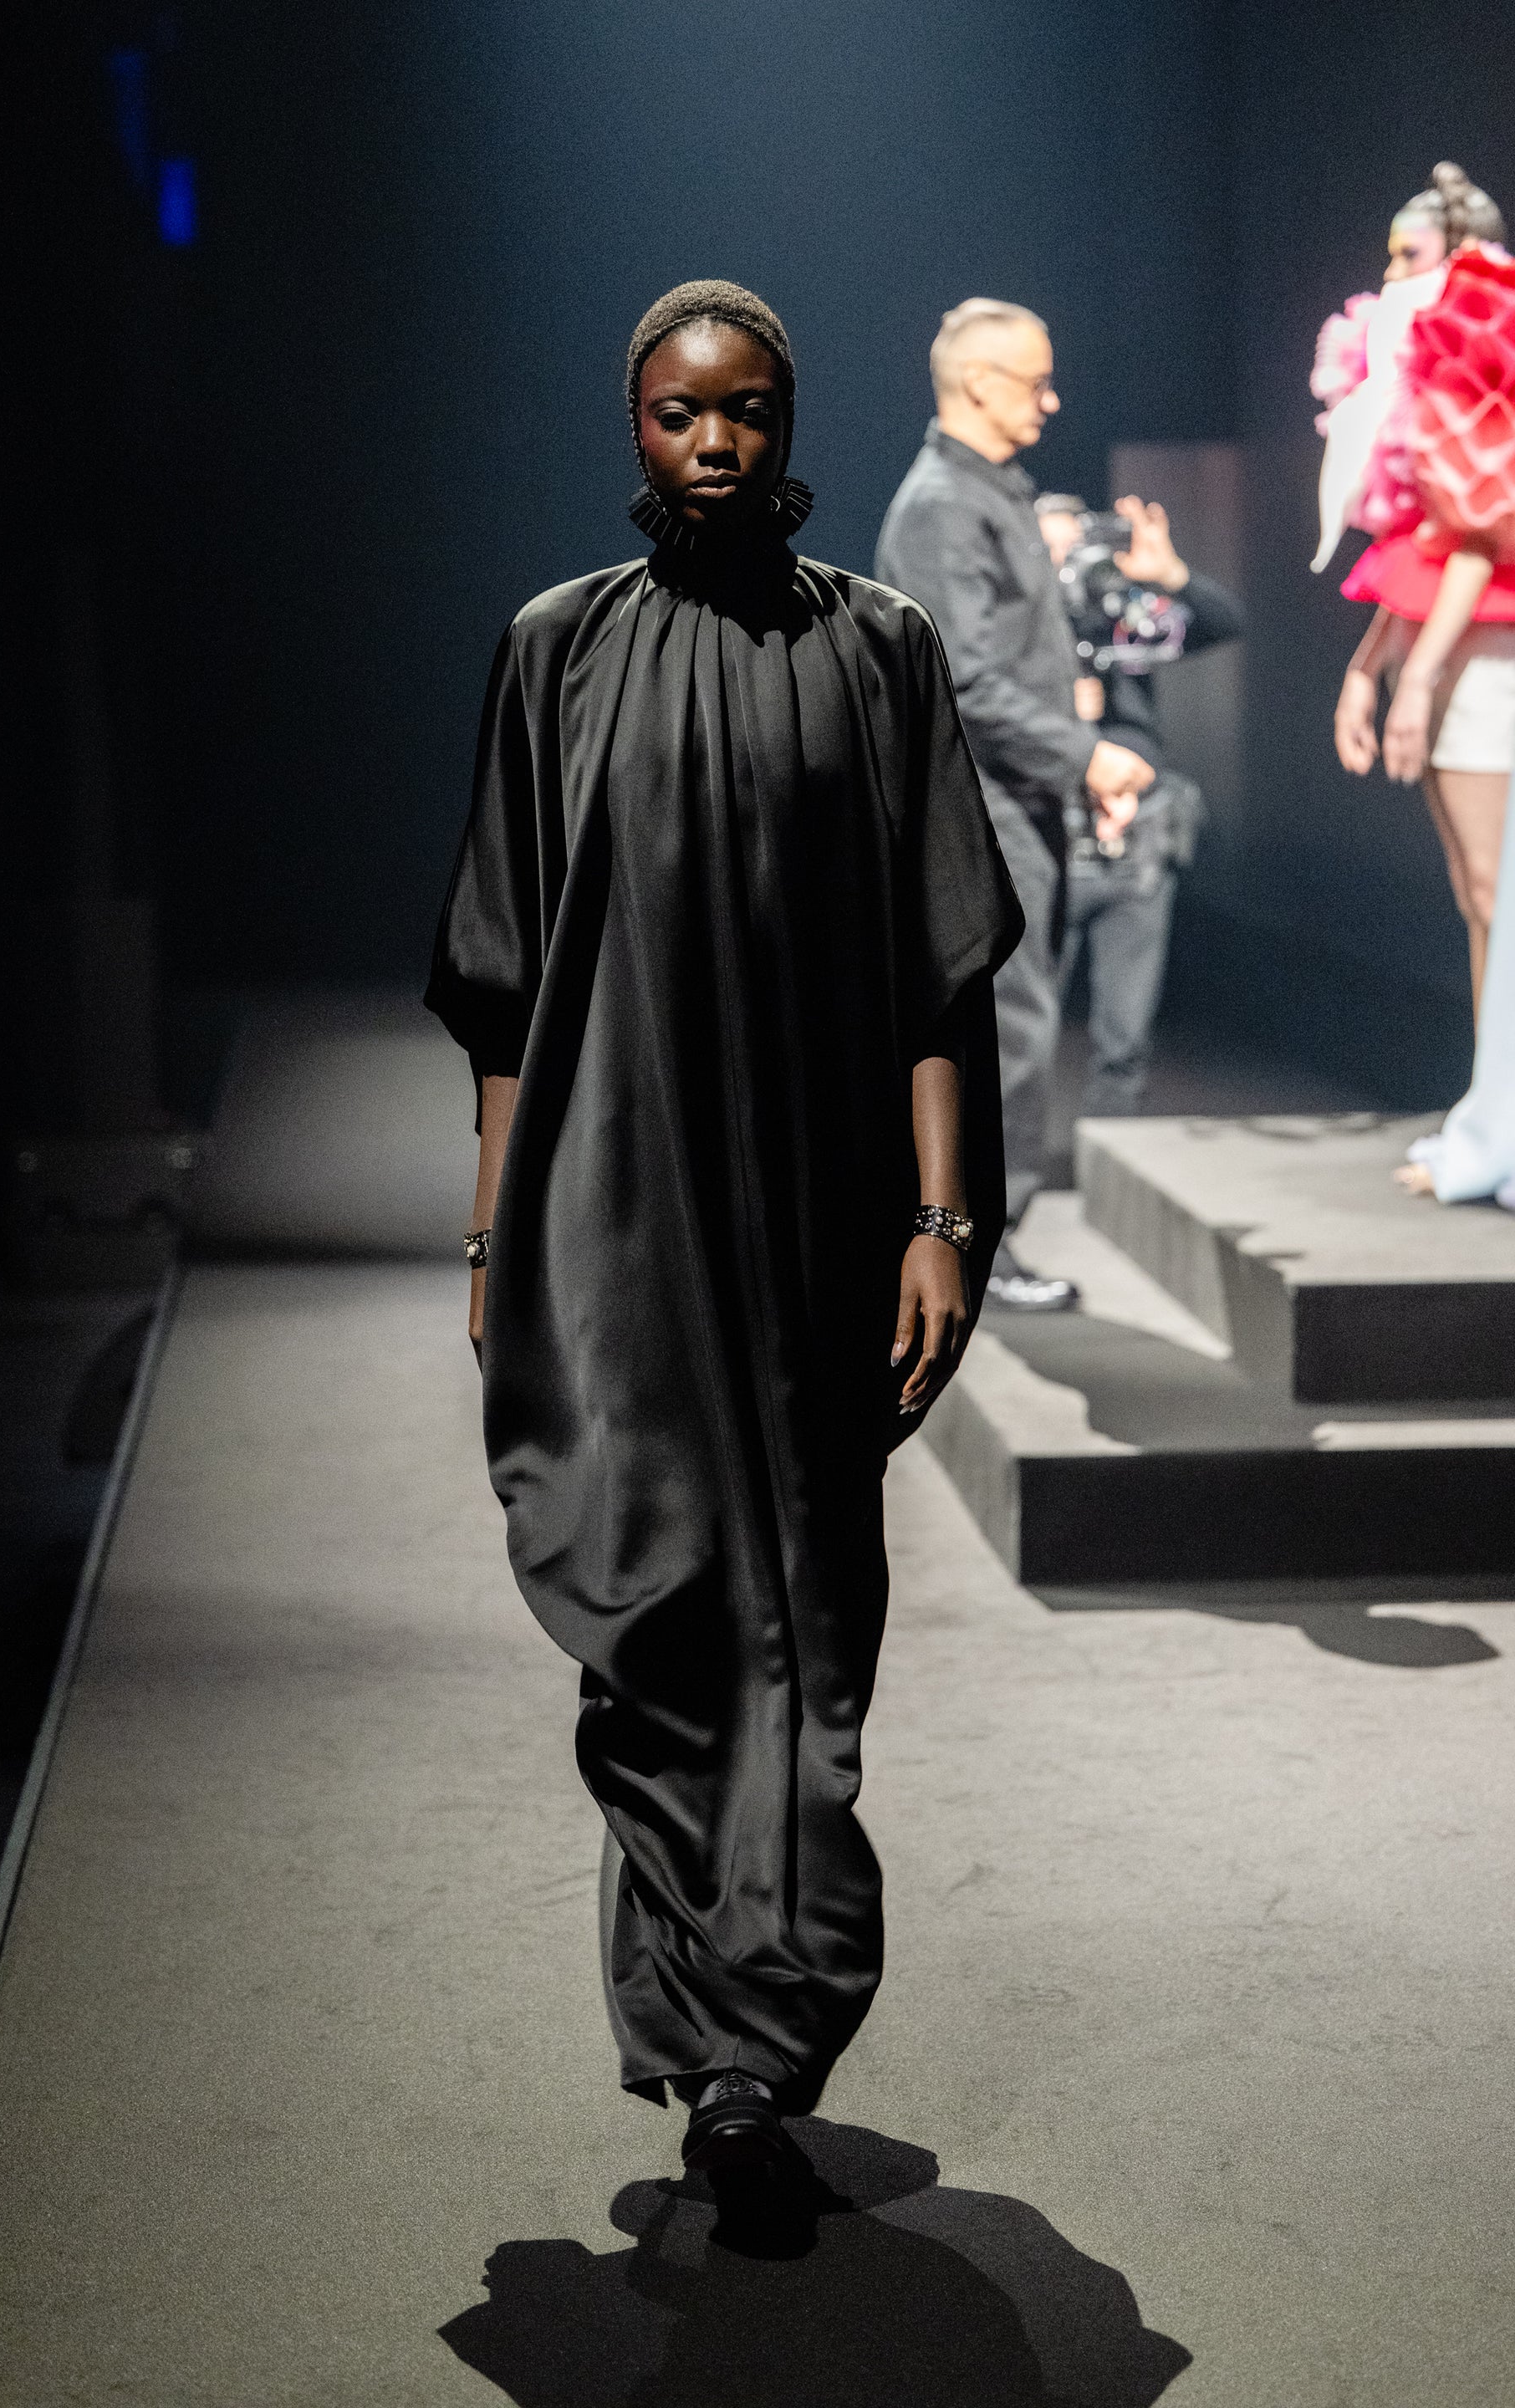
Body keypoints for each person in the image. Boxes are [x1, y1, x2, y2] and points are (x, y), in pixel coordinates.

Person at [426, 282, 1023, 2178]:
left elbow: (941, 969)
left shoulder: (882, 650)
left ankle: (752, 2046)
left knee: (806, 1615)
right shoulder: (557, 651)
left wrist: (940, 1218)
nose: (715, 442)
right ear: (633, 424)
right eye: (681, 412)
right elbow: (504, 979)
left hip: (827, 1210)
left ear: (788, 421)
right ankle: (723, 2055)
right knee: (662, 1603)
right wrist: (493, 1235)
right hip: (613, 1205)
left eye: (747, 410)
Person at [875, 298, 1154, 1311]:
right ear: (979, 383)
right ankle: (977, 1253)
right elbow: (970, 684)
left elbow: (1020, 667)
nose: (1052, 399)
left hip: (1019, 803)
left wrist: (1078, 768)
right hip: (983, 812)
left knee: (1015, 1030)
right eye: (1036, 381)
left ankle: (979, 1246)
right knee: (1008, 1033)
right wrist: (1089, 758)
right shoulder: (945, 506)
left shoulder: (988, 494)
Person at [1314, 162, 1515, 1200]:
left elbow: (1480, 536)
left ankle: (1498, 1130)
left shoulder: (1486, 351)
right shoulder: (1440, 362)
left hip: (1488, 661)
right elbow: (1427, 542)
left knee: (1495, 896)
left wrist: (1418, 675)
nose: (1392, 275)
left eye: (1412, 256)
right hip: (1457, 651)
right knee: (1484, 901)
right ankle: (1492, 1119)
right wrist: (1370, 668)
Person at [1034, 492, 1243, 1116]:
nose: (1067, 564)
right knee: (1019, 1031)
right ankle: (1012, 1166)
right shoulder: (1012, 628)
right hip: (1044, 840)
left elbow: (1222, 621)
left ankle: (1109, 1157)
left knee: (1124, 1039)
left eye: (1077, 548)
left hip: (1135, 847)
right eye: (1049, 549)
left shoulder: (1122, 618)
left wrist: (1167, 575)